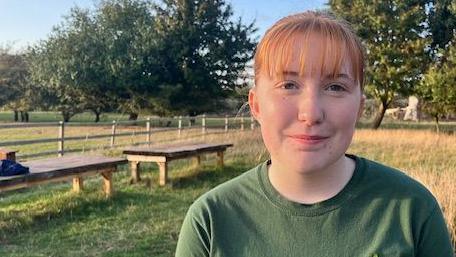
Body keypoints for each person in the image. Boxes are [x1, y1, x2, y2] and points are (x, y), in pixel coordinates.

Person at [175, 11, 454, 257]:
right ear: (256, 105)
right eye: (288, 85)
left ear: (359, 107)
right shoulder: (211, 221)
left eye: (335, 87)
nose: (311, 113)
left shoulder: (413, 210)